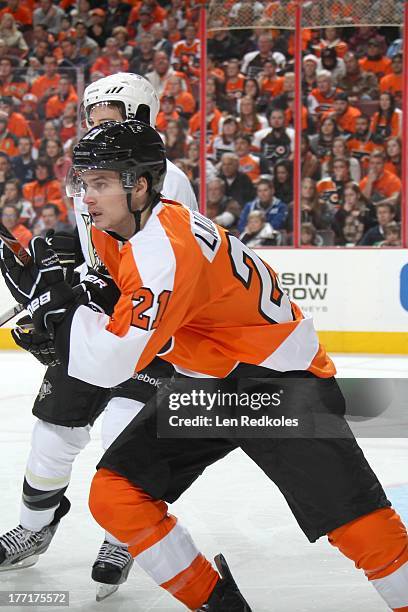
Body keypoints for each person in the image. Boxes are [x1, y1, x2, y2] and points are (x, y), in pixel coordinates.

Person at [2, 119, 407, 612]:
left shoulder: (164, 247)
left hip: (274, 385)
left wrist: (60, 314)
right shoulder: (127, 227)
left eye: (101, 183)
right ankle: (220, 605)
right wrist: (77, 290)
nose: (86, 197)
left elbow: (111, 364)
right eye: (83, 183)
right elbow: (125, 304)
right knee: (116, 495)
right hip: (210, 384)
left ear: (141, 185)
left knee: (361, 527)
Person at [0, 73, 197, 601]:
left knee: (122, 431)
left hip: (150, 328)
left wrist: (76, 300)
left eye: (110, 110)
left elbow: (154, 268)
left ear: (139, 113)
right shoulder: (90, 174)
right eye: (92, 113)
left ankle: (121, 534)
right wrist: (63, 281)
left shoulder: (164, 177)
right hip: (102, 318)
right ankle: (35, 525)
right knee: (52, 429)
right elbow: (97, 257)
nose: (97, 121)